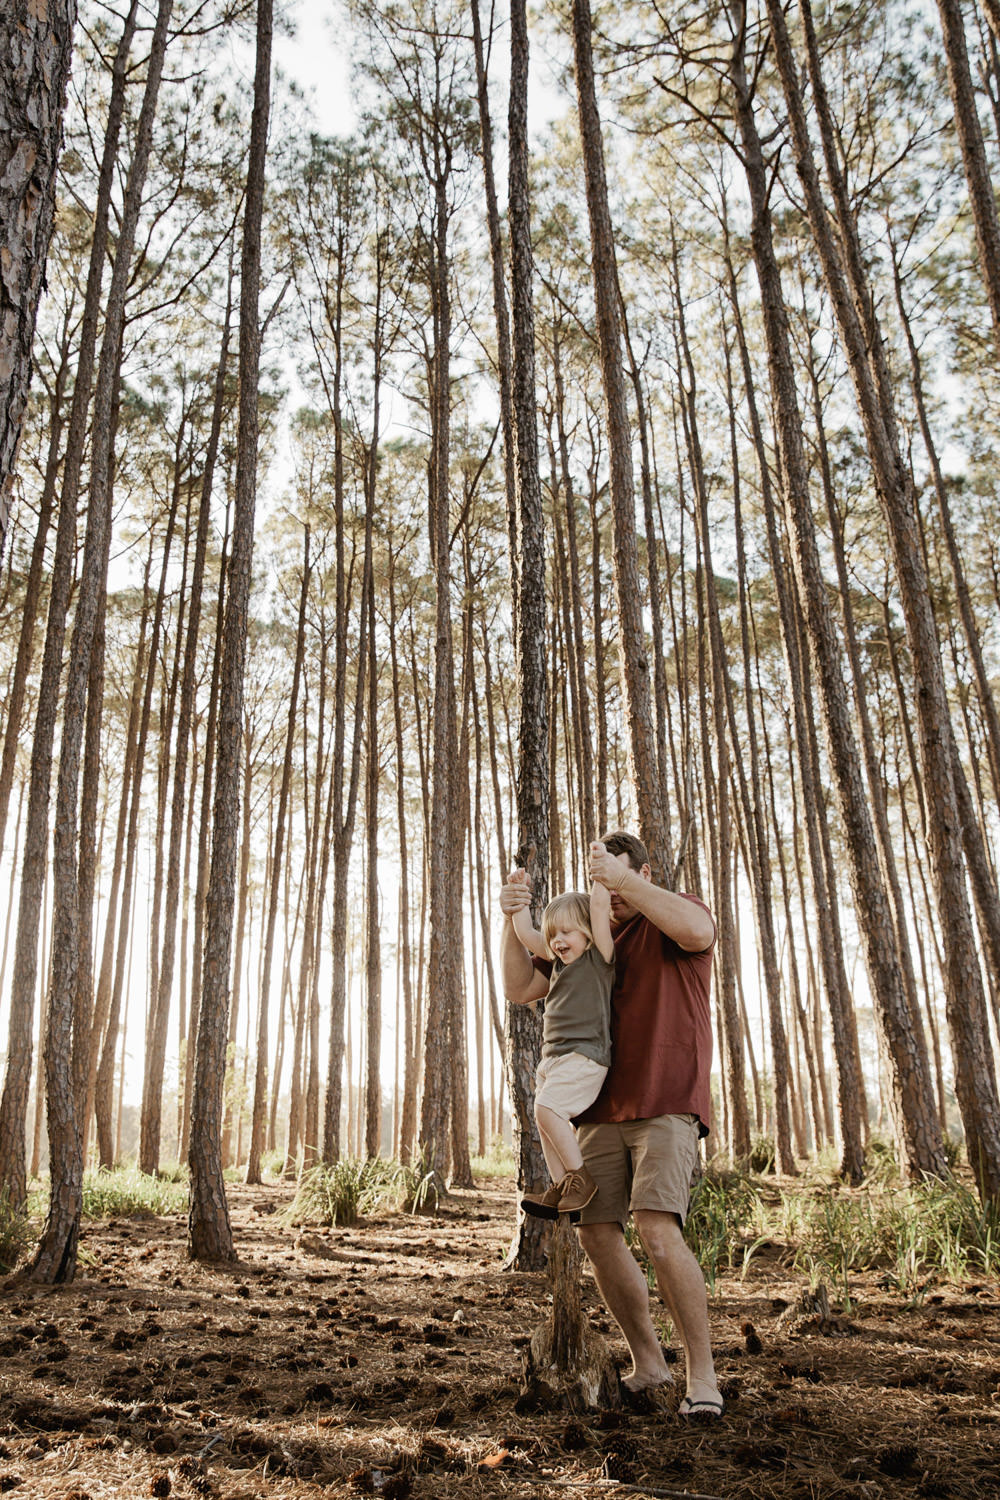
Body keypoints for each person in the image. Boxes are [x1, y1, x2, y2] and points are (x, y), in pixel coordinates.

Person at [500, 830, 723, 1420]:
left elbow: (700, 933)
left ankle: (703, 1377)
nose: (610, 893)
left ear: (643, 874)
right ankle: (649, 1364)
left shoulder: (675, 918)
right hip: (599, 1109)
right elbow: (522, 986)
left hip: (664, 1101)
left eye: (619, 880)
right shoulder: (591, 948)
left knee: (657, 1228)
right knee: (596, 1233)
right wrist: (511, 917)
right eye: (602, 882)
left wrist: (619, 882)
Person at [507, 869, 615, 1218]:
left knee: (546, 1109)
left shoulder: (599, 957)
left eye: (567, 932)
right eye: (553, 934)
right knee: (544, 1119)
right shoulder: (556, 963)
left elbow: (599, 909)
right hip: (553, 1059)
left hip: (585, 1056)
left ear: (587, 932)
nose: (557, 941)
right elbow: (525, 933)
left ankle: (581, 1177)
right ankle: (563, 1187)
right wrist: (518, 895)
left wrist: (600, 871)